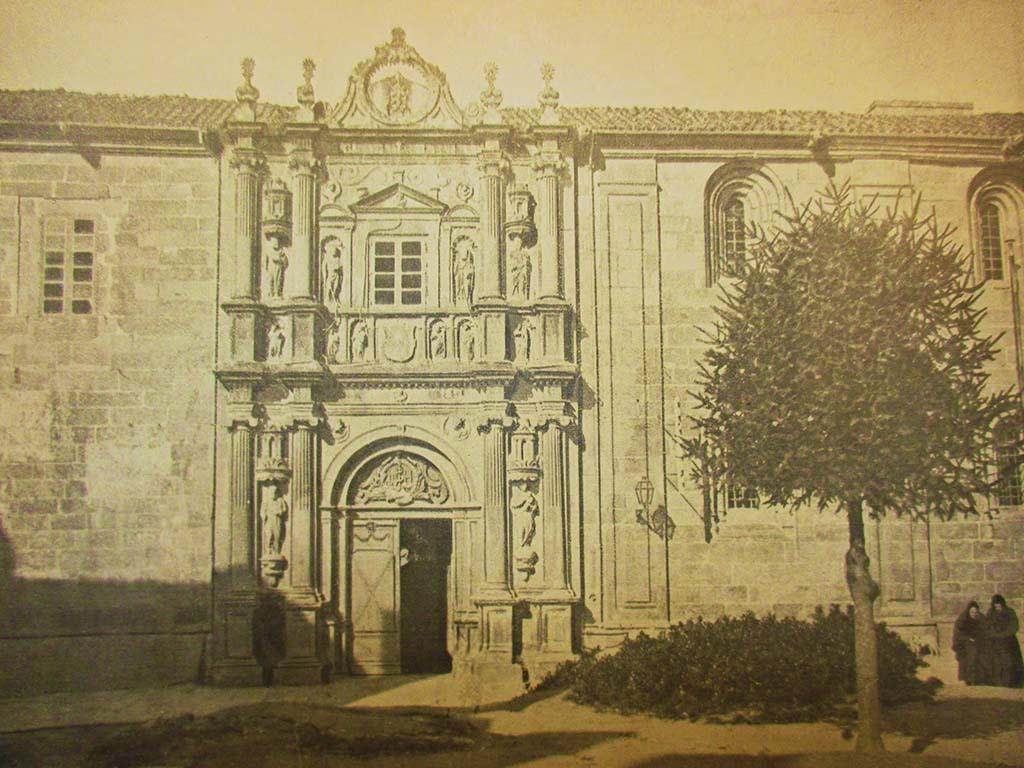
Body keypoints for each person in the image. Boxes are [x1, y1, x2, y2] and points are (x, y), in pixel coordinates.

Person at [986, 594, 1024, 688]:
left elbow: (1014, 626)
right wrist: (995, 635)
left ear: (1003, 605)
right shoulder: (990, 613)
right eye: (996, 607)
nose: (998, 608)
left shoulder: (1010, 612)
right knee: (996, 662)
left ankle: (1012, 683)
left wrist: (1004, 635)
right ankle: (997, 682)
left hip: (1009, 642)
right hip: (995, 642)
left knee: (1010, 662)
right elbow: (988, 626)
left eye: (999, 606)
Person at [952, 600, 987, 685]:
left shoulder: (981, 619)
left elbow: (985, 631)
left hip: (978, 641)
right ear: (968, 612)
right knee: (971, 655)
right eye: (972, 612)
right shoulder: (962, 619)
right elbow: (958, 633)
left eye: (976, 612)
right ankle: (968, 679)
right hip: (964, 642)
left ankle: (978, 679)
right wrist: (968, 638)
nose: (974, 614)